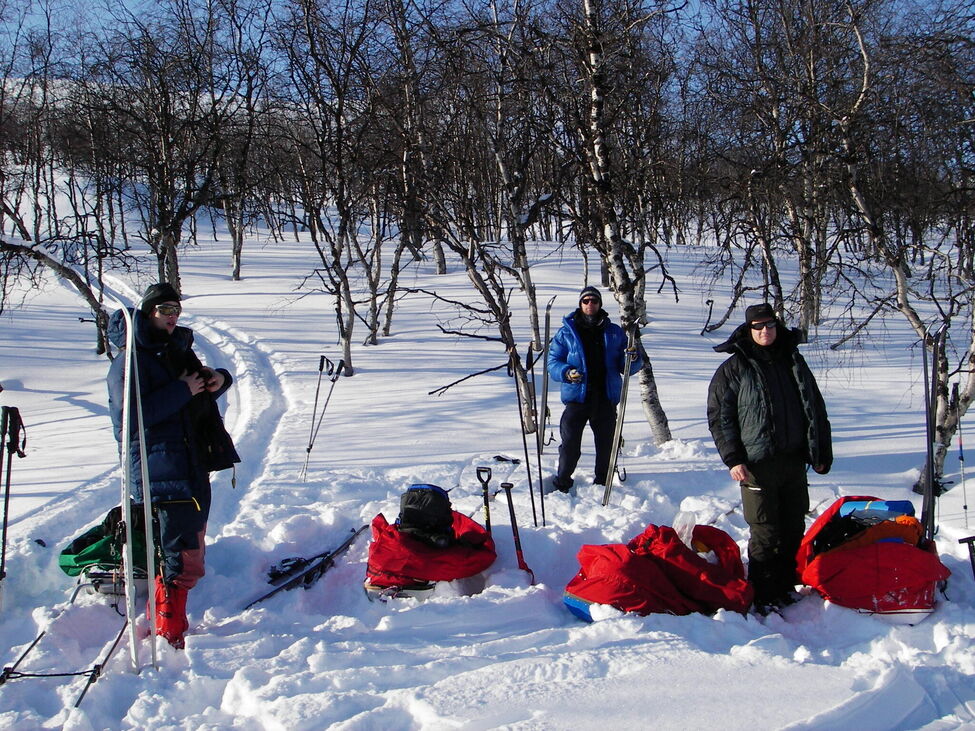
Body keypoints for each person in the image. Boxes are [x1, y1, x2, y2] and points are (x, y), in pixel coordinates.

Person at [107, 283, 237, 648]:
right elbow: (129, 417)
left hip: (189, 459)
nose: (172, 316)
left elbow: (195, 387)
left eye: (176, 310)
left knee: (187, 542)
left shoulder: (173, 350)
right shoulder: (129, 359)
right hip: (157, 465)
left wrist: (217, 380)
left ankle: (164, 620)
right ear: (148, 312)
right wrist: (183, 390)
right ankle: (168, 631)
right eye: (165, 310)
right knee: (181, 551)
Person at [707, 302, 832, 614]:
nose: (765, 332)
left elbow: (813, 406)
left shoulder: (792, 360)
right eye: (758, 327)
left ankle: (785, 586)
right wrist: (733, 458)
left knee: (792, 526)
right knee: (765, 531)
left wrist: (821, 451)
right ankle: (763, 595)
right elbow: (720, 418)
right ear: (749, 330)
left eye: (770, 325)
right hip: (756, 465)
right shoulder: (735, 369)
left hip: (792, 460)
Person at [547, 286, 641, 494]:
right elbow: (552, 362)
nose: (590, 304)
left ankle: (602, 482)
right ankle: (562, 481)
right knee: (570, 443)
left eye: (594, 301)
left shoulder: (614, 332)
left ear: (600, 304)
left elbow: (627, 367)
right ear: (580, 304)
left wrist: (633, 358)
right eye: (586, 301)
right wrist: (566, 372)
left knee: (607, 444)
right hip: (577, 397)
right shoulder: (566, 332)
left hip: (605, 396)